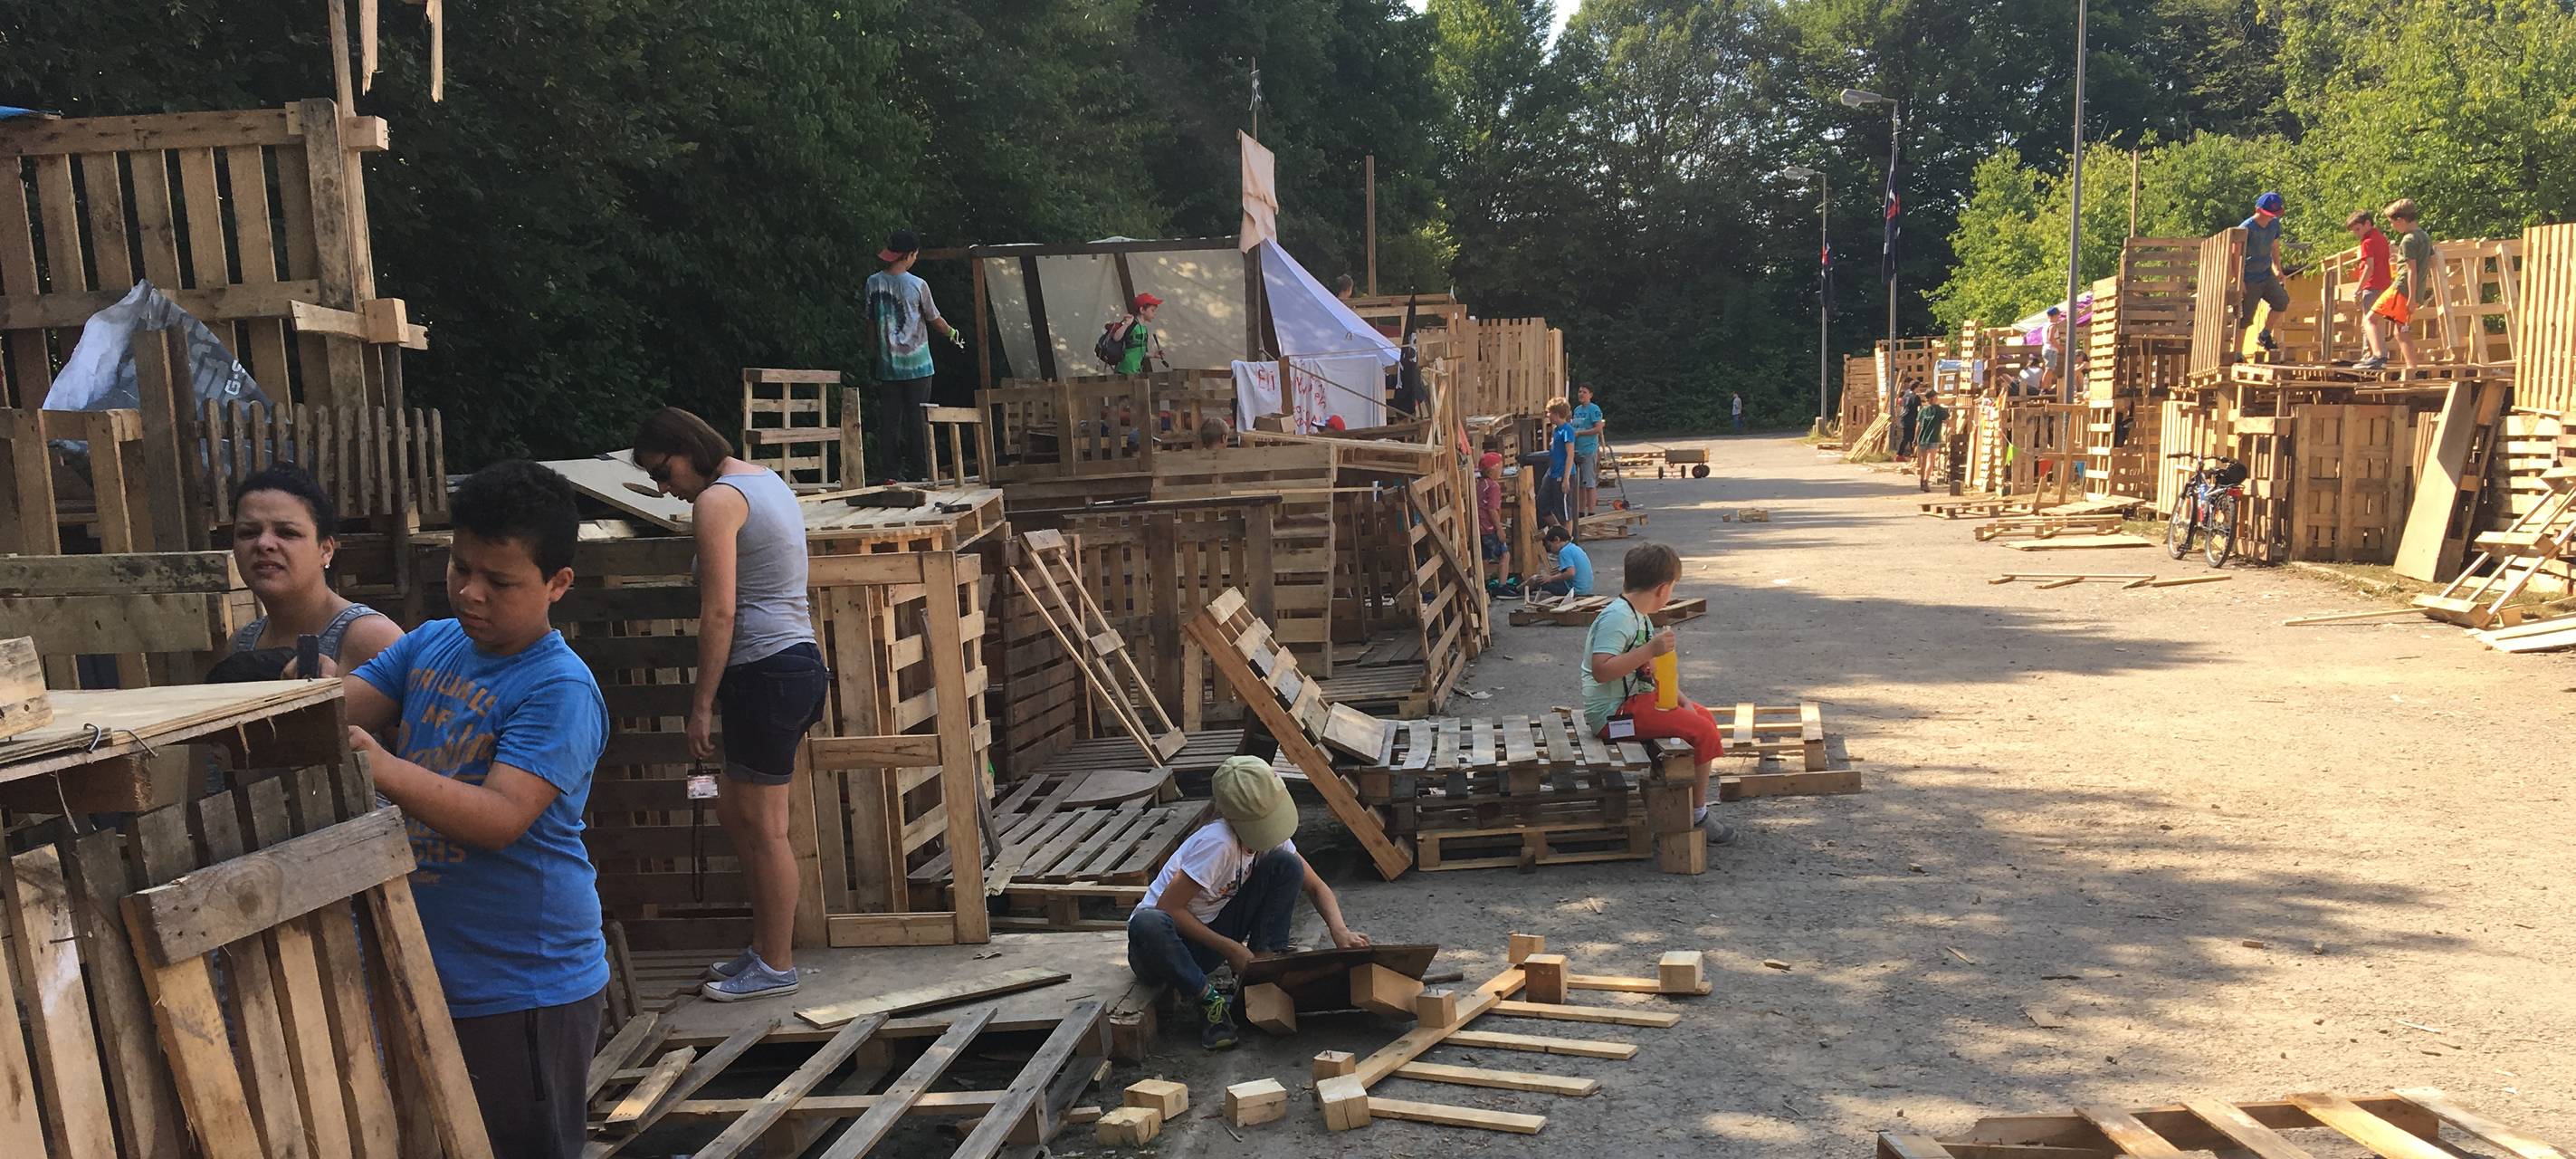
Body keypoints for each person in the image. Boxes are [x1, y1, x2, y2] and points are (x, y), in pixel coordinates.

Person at [343, 461, 609, 1158]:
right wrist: (288, 699)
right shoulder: (433, 643)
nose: (471, 592)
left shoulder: (558, 688)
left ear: (558, 584)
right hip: (431, 967)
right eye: (461, 568)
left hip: (525, 983)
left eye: (501, 581)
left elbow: (500, 818)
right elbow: (336, 713)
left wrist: (382, 767)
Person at [632, 408, 830, 1002]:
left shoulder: (717, 501)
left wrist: (699, 705)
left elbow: (719, 611)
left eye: (664, 472)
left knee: (765, 827)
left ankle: (776, 965)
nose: (666, 488)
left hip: (765, 671)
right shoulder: (765, 482)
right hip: (787, 667)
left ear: (686, 448)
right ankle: (764, 949)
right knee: (740, 816)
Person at [1126, 756, 1369, 1050]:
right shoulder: (1218, 844)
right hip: (1161, 952)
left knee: (1287, 865)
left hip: (1207, 940)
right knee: (1148, 922)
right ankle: (1208, 1001)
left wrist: (1339, 930)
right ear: (1236, 820)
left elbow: (1317, 887)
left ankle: (1262, 970)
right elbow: (1168, 908)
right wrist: (1232, 948)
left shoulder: (1270, 838)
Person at [1581, 542, 1732, 846]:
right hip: (1613, 716)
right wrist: (1650, 649)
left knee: (1702, 717)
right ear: (1663, 589)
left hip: (1634, 703)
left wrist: (1683, 700)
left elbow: (1652, 671)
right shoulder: (1618, 618)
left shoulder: (1639, 616)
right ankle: (1697, 812)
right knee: (1702, 731)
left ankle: (1682, 797)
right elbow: (1602, 670)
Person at [211, 464, 401, 682]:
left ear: (326, 550)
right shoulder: (241, 644)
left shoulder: (371, 639)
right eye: (248, 533)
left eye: (287, 533)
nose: (263, 543)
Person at [867, 228, 963, 483]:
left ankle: (890, 473)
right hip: (919, 366)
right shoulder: (918, 285)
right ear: (909, 255)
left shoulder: (873, 283)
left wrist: (874, 353)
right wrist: (953, 334)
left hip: (888, 366)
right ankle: (920, 473)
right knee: (918, 421)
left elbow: (870, 322)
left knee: (890, 422)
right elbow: (935, 319)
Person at [2384, 198, 2436, 368]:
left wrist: (2411, 298)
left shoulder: (2408, 240)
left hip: (2403, 289)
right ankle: (2411, 366)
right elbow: (2431, 260)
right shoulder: (2424, 236)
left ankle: (2407, 366)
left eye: (2392, 223)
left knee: (2372, 320)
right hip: (2414, 290)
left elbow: (2412, 270)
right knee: (2400, 330)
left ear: (2401, 220)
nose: (2392, 227)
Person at [2240, 192, 2291, 354]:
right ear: (2258, 210)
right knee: (2246, 317)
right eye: (2269, 214)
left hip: (2266, 273)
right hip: (2249, 277)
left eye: (2274, 215)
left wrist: (2278, 269)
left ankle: (2265, 335)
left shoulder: (2274, 225)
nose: (2271, 218)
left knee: (2281, 301)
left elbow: (2274, 247)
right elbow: (2235, 255)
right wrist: (2239, 279)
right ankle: (2237, 353)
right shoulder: (2246, 228)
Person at [2345, 209, 2394, 370]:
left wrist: (2358, 289)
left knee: (2368, 322)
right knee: (2376, 322)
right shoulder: (2381, 238)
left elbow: (2369, 267)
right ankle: (2376, 356)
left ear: (2367, 223)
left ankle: (2373, 356)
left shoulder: (2367, 242)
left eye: (2357, 229)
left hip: (2372, 286)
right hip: (2385, 285)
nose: (2356, 234)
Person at [1476, 452, 1517, 598]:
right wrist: (1500, 529)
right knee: (1505, 555)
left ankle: (1482, 585)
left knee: (1484, 558)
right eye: (1500, 466)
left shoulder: (1480, 484)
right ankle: (1502, 586)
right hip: (1489, 527)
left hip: (1480, 527)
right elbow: (1492, 509)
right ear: (1492, 469)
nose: (1501, 470)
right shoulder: (1493, 486)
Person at [1537, 398, 1576, 532]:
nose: (1547, 415)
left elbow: (1570, 455)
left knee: (1564, 511)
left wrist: (1566, 479)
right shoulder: (1555, 430)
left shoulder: (1567, 430)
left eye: (1549, 412)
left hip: (1562, 474)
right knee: (1543, 504)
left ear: (1557, 414)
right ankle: (1558, 532)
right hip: (1552, 472)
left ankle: (1567, 542)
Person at [1110, 292, 1169, 376]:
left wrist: (1154, 355)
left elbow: (1138, 351)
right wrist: (1126, 324)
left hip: (1136, 371)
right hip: (1123, 371)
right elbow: (1116, 338)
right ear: (1142, 310)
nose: (1154, 314)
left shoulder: (1144, 329)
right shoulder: (1131, 324)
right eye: (1152, 310)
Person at [1569, 384, 1606, 519]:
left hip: (1589, 449)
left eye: (1584, 392)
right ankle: (1580, 512)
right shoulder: (1577, 410)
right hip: (1577, 450)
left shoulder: (1594, 409)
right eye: (1579, 392)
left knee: (1589, 482)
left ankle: (1591, 512)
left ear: (1590, 394)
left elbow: (1598, 429)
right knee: (1580, 484)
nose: (1581, 394)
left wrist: (1581, 433)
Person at [1530, 525, 1593, 598]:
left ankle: (1521, 589)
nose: (1551, 550)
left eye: (1550, 546)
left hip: (1574, 591)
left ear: (1557, 540)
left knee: (1541, 581)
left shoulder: (1564, 552)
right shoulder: (1574, 548)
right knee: (1552, 579)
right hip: (1585, 589)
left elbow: (1570, 573)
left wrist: (1550, 578)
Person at [1913, 390, 1950, 493]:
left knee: (1923, 462)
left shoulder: (1923, 411)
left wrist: (1915, 439)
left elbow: (1918, 426)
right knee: (1930, 461)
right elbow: (1947, 421)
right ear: (1933, 398)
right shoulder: (1939, 410)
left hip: (1922, 439)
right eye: (1936, 396)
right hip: (1933, 438)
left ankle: (1921, 482)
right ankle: (1926, 481)